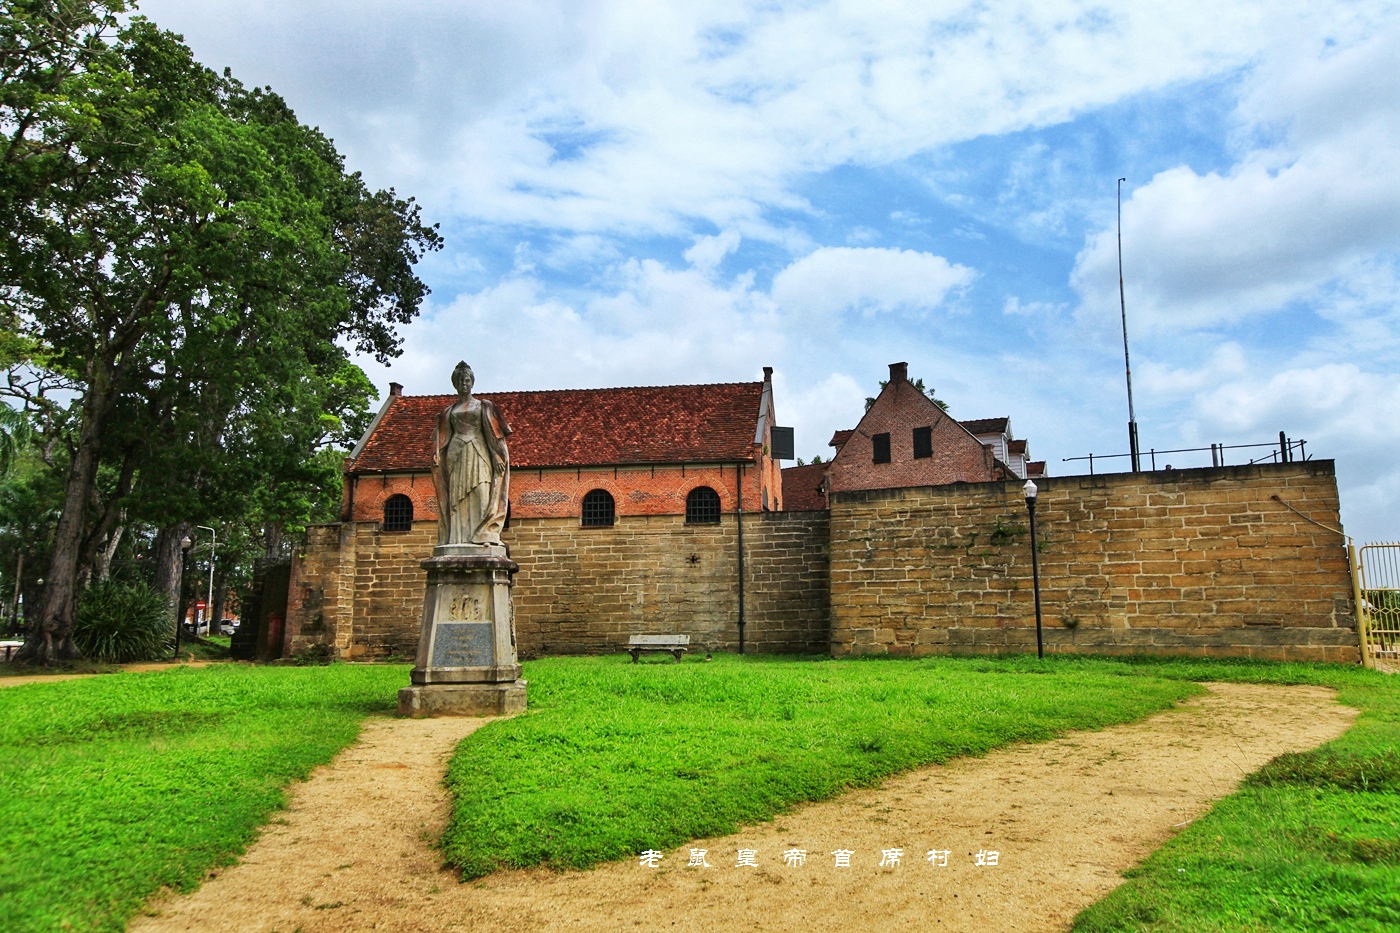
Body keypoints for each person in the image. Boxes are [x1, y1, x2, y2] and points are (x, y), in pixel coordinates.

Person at [433, 362, 511, 546]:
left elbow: (492, 433)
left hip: (479, 450)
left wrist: (496, 455)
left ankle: (483, 535)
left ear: (472, 382)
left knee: (482, 493)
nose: (463, 383)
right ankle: (457, 539)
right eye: (459, 380)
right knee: (456, 496)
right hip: (456, 453)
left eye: (466, 380)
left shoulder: (483, 406)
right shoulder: (449, 411)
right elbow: (443, 436)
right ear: (455, 384)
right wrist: (437, 453)